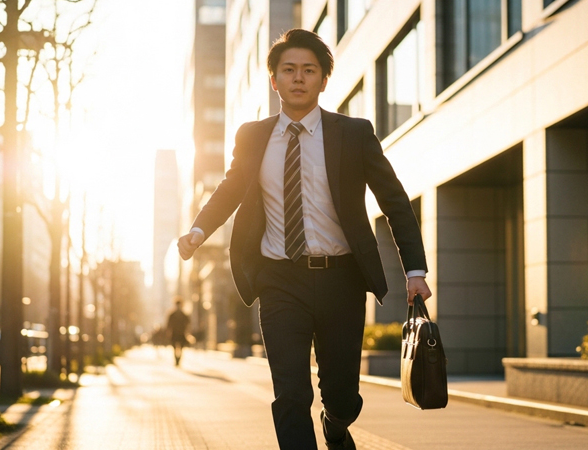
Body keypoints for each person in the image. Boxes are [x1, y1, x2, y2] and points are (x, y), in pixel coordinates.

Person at [178, 29, 431, 450]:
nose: (299, 78)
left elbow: (394, 199)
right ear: (274, 80)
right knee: (291, 394)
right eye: (289, 70)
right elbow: (231, 188)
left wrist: (415, 270)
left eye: (308, 70)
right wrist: (199, 230)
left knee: (341, 395)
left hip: (342, 279)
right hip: (279, 280)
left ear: (323, 80)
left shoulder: (353, 133)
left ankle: (336, 423)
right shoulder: (253, 136)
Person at [166, 297, 190, 366]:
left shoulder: (183, 314)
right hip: (174, 333)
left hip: (181, 333)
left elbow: (188, 323)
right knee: (174, 347)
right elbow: (169, 324)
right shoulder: (172, 314)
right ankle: (176, 360)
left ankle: (178, 360)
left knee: (181, 347)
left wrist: (187, 332)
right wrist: (168, 332)